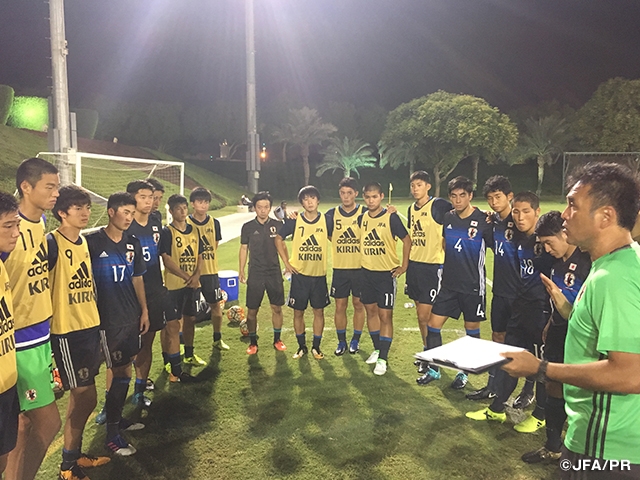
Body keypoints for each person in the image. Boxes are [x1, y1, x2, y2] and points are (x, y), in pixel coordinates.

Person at [502, 163, 640, 479]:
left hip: (605, 445)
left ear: (605, 216)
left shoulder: (613, 278)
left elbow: (630, 373)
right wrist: (567, 310)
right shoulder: (620, 263)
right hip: (606, 441)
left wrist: (539, 368)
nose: (564, 215)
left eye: (573, 205)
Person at [466, 191, 553, 434]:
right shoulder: (520, 240)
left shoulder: (548, 240)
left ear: (537, 212)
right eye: (516, 212)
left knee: (541, 364)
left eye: (526, 211)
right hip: (521, 306)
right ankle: (496, 409)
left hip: (542, 311)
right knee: (509, 358)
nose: (520, 217)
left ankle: (540, 415)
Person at [47, 186, 110, 478]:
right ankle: (67, 466)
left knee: (84, 396)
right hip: (67, 331)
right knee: (85, 395)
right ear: (62, 212)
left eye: (87, 207)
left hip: (89, 326)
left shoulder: (83, 241)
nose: (85, 213)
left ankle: (73, 456)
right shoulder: (51, 244)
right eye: (78, 208)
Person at [4, 158, 62, 480]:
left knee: (22, 425)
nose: (56, 193)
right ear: (26, 187)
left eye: (57, 187)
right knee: (48, 422)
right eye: (49, 187)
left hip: (40, 335)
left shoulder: (40, 224)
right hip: (20, 341)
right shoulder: (8, 232)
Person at [520, 211, 591, 464]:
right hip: (559, 331)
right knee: (553, 385)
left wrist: (565, 311)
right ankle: (552, 447)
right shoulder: (557, 262)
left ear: (564, 233)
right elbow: (559, 299)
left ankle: (581, 452)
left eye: (549, 242)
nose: (547, 249)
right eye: (543, 244)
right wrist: (552, 321)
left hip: (582, 336)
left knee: (581, 391)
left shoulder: (588, 260)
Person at [86, 192, 150, 457]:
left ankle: (115, 420)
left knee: (124, 370)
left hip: (129, 317)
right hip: (106, 321)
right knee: (116, 371)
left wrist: (144, 310)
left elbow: (137, 278)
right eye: (125, 212)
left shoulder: (132, 243)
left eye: (132, 213)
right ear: (111, 212)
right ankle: (112, 435)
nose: (129, 218)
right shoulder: (91, 243)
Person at [418, 176, 492, 388]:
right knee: (433, 326)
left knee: (471, 332)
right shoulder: (448, 218)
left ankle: (464, 373)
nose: (458, 200)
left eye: (462, 195)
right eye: (454, 196)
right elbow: (445, 243)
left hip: (473, 287)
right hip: (449, 285)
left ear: (470, 196)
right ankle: (434, 369)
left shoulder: (484, 221)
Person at [467, 175, 519, 400]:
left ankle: (528, 391)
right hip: (500, 291)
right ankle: (493, 386)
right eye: (490, 198)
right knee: (497, 337)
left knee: (523, 344)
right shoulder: (492, 222)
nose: (494, 202)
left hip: (521, 294)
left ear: (509, 196)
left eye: (498, 197)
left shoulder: (520, 221)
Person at [358, 182, 410, 375]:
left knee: (385, 316)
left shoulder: (391, 217)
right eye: (367, 197)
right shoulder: (362, 218)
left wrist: (404, 265)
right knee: (371, 312)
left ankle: (383, 359)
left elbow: (407, 240)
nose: (371, 200)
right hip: (366, 273)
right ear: (364, 197)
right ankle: (378, 349)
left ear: (381, 196)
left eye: (374, 196)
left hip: (385, 275)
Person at [275, 186, 332, 360]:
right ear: (302, 203)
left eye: (312, 198)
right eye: (306, 199)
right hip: (299, 276)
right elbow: (278, 238)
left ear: (318, 200)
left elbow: (337, 239)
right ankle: (301, 347)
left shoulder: (327, 220)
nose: (310, 202)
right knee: (298, 312)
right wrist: (287, 263)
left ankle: (316, 347)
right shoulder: (294, 220)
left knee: (318, 312)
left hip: (319, 275)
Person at [405, 171, 452, 371]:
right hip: (414, 266)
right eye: (413, 185)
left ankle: (433, 357)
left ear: (428, 186)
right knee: (420, 314)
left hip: (432, 267)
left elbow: (459, 213)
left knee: (426, 316)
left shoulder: (438, 205)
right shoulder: (411, 209)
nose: (415, 189)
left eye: (419, 185)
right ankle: (427, 352)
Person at [159, 194, 201, 382]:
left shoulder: (194, 230)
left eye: (184, 208)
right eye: (178, 208)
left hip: (191, 285)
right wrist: (186, 276)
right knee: (172, 326)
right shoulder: (167, 232)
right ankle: (171, 365)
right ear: (171, 211)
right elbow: (167, 260)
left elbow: (199, 255)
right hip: (173, 287)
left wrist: (196, 275)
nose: (183, 211)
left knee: (190, 319)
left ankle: (189, 355)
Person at [239, 191, 286, 355]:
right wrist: (241, 270)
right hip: (256, 273)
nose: (263, 210)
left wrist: (287, 264)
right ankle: (253, 342)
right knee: (252, 310)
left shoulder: (278, 225)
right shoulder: (247, 227)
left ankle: (277, 340)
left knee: (277, 308)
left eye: (266, 207)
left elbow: (282, 247)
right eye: (259, 207)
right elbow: (243, 248)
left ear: (270, 208)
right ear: (254, 208)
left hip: (274, 272)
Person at [324, 177, 366, 356]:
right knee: (340, 306)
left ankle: (355, 339)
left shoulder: (364, 212)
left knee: (358, 305)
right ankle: (341, 341)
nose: (346, 196)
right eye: (342, 193)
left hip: (360, 269)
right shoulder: (331, 214)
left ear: (356, 194)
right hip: (340, 269)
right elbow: (328, 235)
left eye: (349, 193)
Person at [188, 187, 228, 357]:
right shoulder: (187, 223)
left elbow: (215, 245)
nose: (203, 205)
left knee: (216, 306)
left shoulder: (214, 223)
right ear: (192, 204)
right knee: (189, 314)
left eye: (206, 202)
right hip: (191, 275)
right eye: (199, 202)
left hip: (211, 272)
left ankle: (217, 339)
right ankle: (187, 348)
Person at [0, 192, 22, 476]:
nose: (16, 233)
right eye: (8, 226)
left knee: (3, 457)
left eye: (17, 225)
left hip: (7, 382)